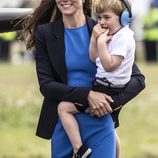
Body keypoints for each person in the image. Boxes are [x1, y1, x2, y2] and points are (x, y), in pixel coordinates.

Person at [21, 0, 145, 157]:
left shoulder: (104, 29)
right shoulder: (45, 33)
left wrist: (108, 104)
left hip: (100, 121)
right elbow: (46, 86)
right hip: (65, 125)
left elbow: (138, 80)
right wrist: (88, 96)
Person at [89, 0, 134, 157]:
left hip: (108, 87)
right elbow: (94, 58)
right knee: (110, 125)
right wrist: (95, 39)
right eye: (99, 17)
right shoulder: (112, 34)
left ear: (124, 18)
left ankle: (78, 148)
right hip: (105, 84)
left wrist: (101, 43)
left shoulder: (124, 37)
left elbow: (110, 66)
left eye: (107, 17)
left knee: (64, 109)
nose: (102, 22)